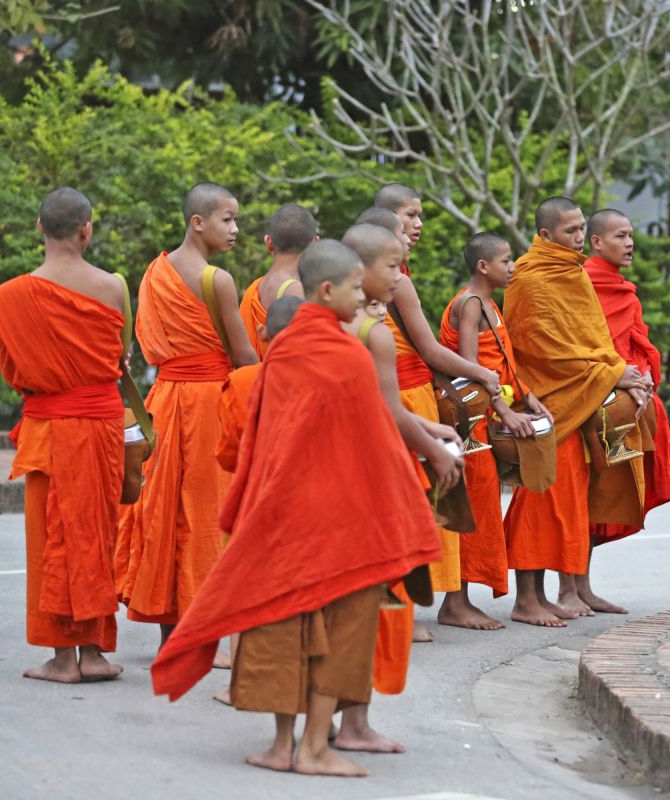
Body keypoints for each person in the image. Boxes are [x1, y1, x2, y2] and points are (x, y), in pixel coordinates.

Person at [152, 239, 442, 778]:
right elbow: (375, 438)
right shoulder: (347, 353)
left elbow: (262, 440)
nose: (363, 298)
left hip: (280, 514)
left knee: (280, 624)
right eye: (356, 288)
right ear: (328, 290)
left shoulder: (280, 353)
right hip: (338, 518)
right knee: (343, 629)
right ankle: (314, 747)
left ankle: (281, 746)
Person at [0, 187, 126, 683]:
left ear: (39, 228)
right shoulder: (113, 288)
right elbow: (118, 358)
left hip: (47, 428)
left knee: (51, 538)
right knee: (94, 534)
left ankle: (61, 659)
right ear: (87, 229)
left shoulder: (10, 298)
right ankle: (93, 654)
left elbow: (13, 371)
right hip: (101, 425)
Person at [338, 221, 464, 753]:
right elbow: (388, 411)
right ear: (360, 270)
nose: (400, 277)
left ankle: (330, 720)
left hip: (335, 474)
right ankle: (355, 725)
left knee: (336, 603)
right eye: (391, 267)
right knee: (372, 602)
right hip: (370, 479)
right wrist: (435, 450)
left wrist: (428, 429)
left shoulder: (321, 319)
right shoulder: (372, 331)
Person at [115, 183, 258, 655]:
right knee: (206, 515)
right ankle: (210, 634)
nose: (236, 229)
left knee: (166, 512)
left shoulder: (153, 272)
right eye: (228, 219)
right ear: (198, 222)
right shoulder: (217, 279)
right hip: (208, 405)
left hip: (163, 402)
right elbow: (242, 356)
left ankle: (170, 634)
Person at [502, 197, 650, 626]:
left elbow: (593, 338)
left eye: (582, 228)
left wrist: (617, 371)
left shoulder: (573, 274)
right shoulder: (528, 279)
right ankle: (526, 598)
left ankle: (551, 593)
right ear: (546, 235)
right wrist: (610, 375)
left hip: (579, 396)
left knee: (567, 500)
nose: (580, 238)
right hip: (547, 400)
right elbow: (541, 347)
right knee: (539, 495)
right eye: (571, 231)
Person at [366, 191, 501, 641]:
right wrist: (481, 372)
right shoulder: (395, 282)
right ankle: (408, 604)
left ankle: (419, 601)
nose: (416, 228)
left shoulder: (382, 280)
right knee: (421, 502)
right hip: (405, 398)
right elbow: (428, 349)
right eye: (408, 221)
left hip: (402, 393)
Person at [438, 232, 552, 630]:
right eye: (506, 261)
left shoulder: (491, 303)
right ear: (483, 266)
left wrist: (527, 395)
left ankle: (462, 596)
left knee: (484, 500)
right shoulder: (470, 304)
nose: (513, 266)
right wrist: (504, 411)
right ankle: (456, 602)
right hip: (472, 420)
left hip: (489, 414)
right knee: (475, 502)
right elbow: (472, 369)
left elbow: (501, 361)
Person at [578, 209, 670, 614]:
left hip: (627, 401)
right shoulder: (581, 283)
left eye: (631, 235)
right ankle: (572, 587)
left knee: (604, 494)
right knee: (583, 493)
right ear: (597, 242)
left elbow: (637, 346)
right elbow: (583, 346)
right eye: (620, 236)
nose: (630, 243)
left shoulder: (625, 292)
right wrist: (620, 377)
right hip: (592, 397)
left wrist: (644, 378)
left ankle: (582, 586)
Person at [211, 295, 304, 706]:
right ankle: (304, 686)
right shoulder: (331, 381)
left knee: (244, 588)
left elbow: (228, 453)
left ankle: (240, 683)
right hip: (309, 505)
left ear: (264, 333)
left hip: (254, 501)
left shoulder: (243, 382)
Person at [239, 204, 318, 357]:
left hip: (253, 379)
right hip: (284, 378)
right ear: (314, 242)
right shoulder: (298, 291)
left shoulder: (253, 288)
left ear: (268, 242)